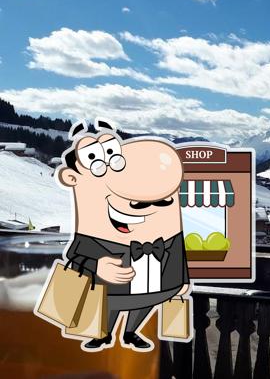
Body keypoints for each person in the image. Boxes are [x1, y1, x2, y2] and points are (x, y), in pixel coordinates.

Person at [53, 123, 190, 350]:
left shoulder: (167, 237)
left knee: (144, 303)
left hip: (153, 285)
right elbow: (75, 254)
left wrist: (182, 280)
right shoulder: (93, 236)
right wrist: (97, 266)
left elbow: (176, 252)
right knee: (111, 304)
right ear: (72, 178)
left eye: (161, 201)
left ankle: (131, 332)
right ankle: (103, 334)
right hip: (110, 290)